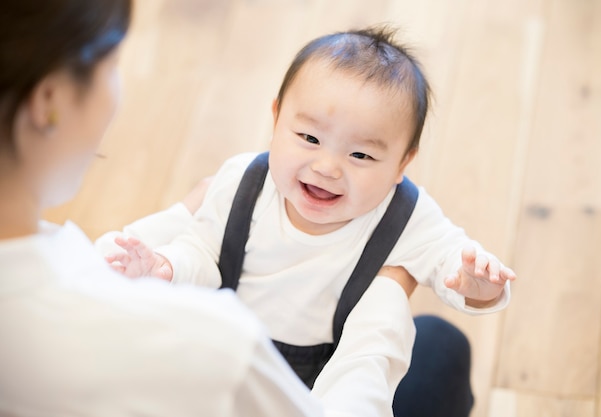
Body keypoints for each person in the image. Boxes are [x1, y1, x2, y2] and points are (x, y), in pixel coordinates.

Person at [0, 2, 421, 416]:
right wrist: (387, 298)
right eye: (112, 65)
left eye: (360, 154)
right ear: (48, 102)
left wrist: (180, 219)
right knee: (442, 348)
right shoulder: (218, 347)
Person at [99, 27, 517, 415]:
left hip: (325, 380)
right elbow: (203, 250)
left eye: (361, 156)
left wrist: (477, 286)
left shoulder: (405, 214)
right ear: (277, 117)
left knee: (444, 342)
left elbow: (449, 257)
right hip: (222, 358)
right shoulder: (242, 183)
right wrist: (166, 267)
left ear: (402, 163)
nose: (327, 167)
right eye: (310, 138)